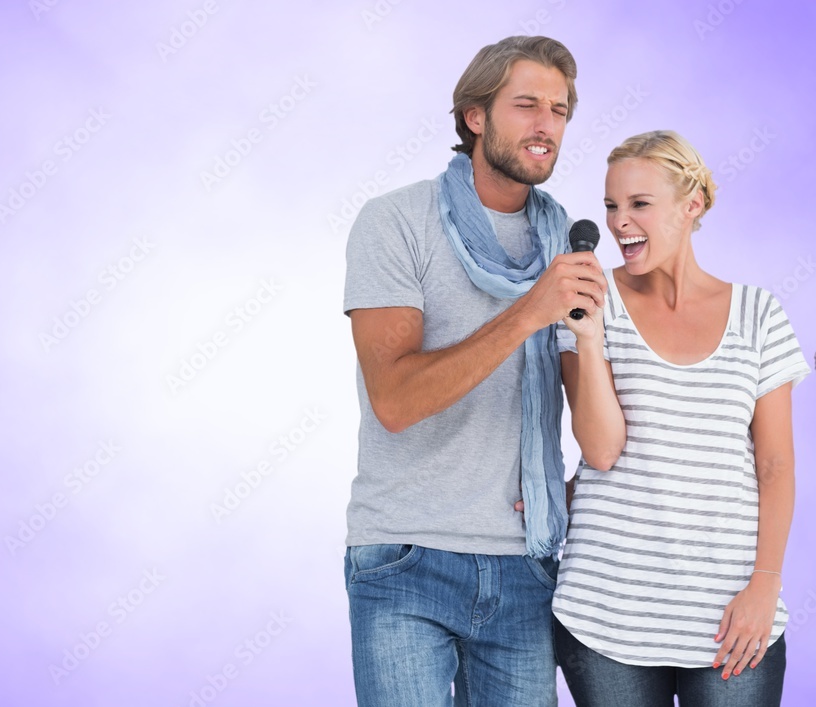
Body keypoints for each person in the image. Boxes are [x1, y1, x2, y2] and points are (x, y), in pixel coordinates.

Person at [342, 35, 606, 706]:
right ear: (474, 116)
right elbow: (395, 399)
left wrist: (564, 492)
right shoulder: (396, 221)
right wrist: (528, 311)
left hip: (526, 566)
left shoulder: (566, 247)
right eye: (526, 104)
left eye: (560, 109)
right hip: (407, 556)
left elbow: (595, 422)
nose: (547, 124)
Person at [552, 130, 810, 706]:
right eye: (611, 206)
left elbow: (774, 465)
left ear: (691, 205)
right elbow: (600, 450)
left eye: (640, 204)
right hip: (607, 612)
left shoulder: (758, 315)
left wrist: (765, 585)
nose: (621, 223)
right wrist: (589, 338)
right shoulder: (586, 302)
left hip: (732, 618)